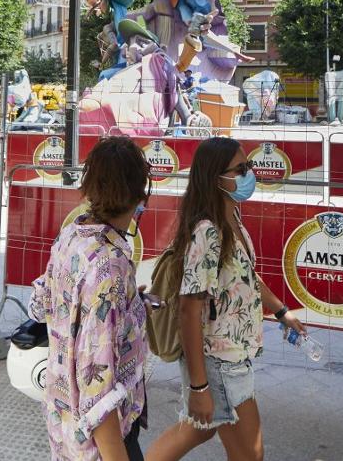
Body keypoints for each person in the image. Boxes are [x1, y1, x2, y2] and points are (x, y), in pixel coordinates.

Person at [147, 137, 305, 461]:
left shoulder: (232, 219)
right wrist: (200, 388)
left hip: (229, 356)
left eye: (249, 166)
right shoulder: (208, 232)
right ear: (216, 177)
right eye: (241, 168)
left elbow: (244, 276)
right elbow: (189, 313)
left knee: (200, 428)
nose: (250, 173)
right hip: (219, 362)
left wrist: (281, 311)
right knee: (250, 454)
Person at [30, 137, 152, 461]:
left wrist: (128, 307)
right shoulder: (110, 265)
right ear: (141, 194)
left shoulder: (72, 234)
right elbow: (96, 382)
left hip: (65, 429)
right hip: (102, 445)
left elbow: (45, 303)